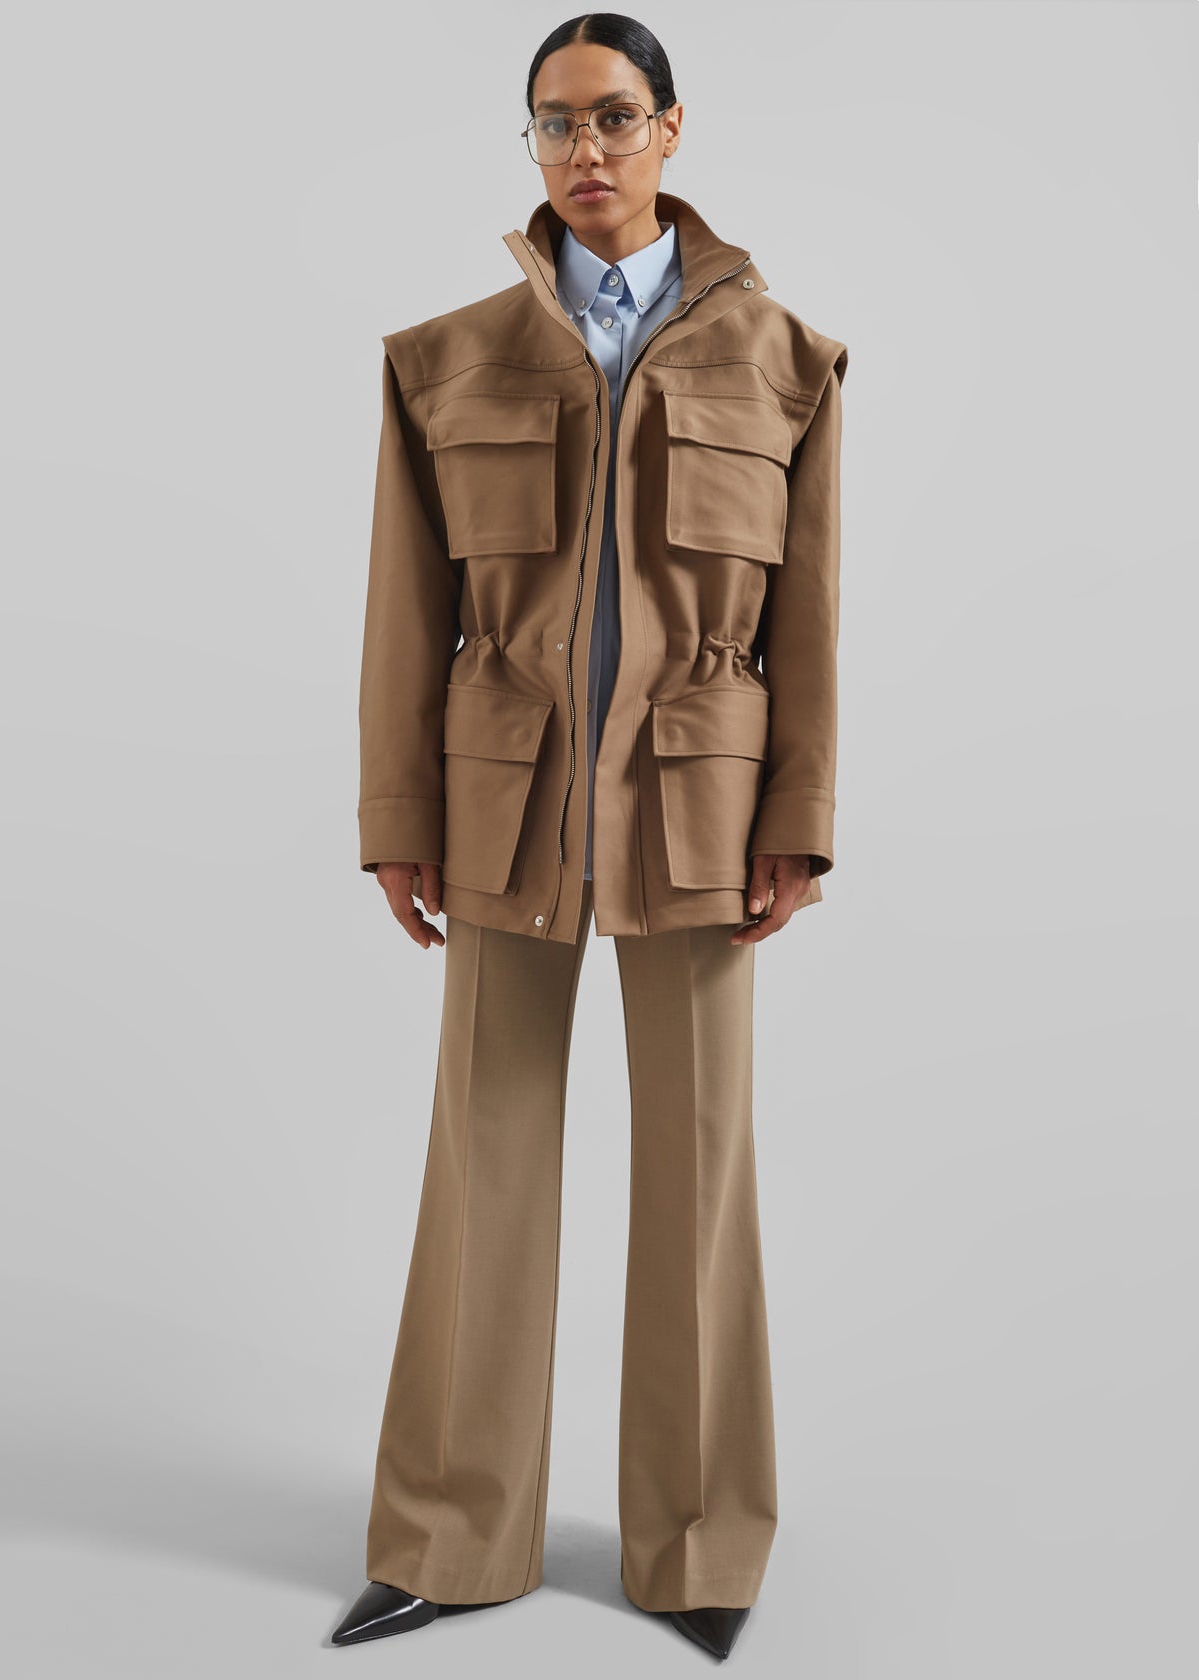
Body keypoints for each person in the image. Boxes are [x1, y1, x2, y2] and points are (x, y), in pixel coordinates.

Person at [333, 11, 847, 1663]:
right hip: (501, 806)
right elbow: (404, 615)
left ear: (672, 129)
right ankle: (447, 1538)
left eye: (616, 116)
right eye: (554, 123)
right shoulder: (446, 359)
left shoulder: (785, 359)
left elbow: (811, 622)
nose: (586, 150)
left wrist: (800, 819)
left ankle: (700, 1549)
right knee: (482, 1170)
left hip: (704, 813)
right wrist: (399, 817)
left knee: (700, 1178)